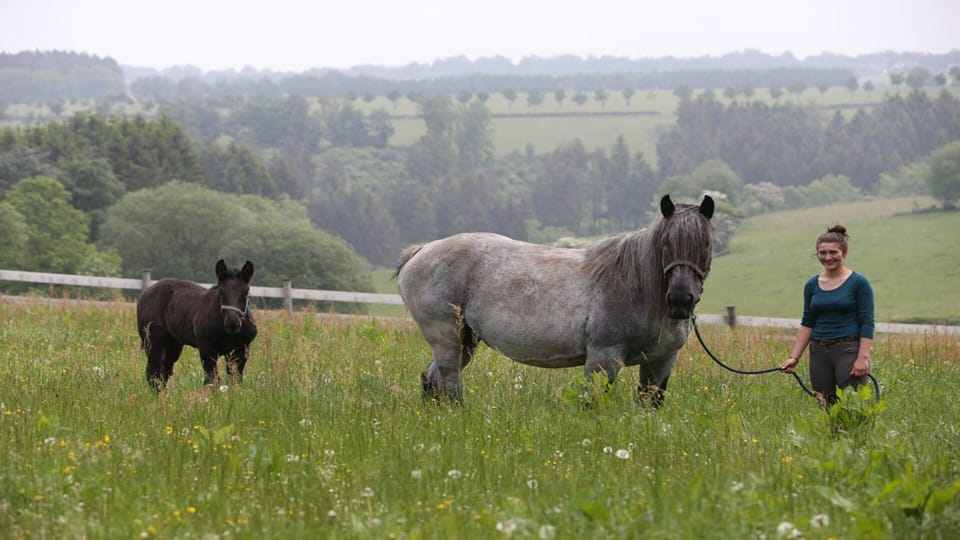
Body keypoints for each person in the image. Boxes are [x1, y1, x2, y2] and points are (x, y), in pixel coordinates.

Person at [780, 225, 875, 409]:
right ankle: (830, 437)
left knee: (852, 406)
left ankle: (856, 438)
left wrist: (862, 357)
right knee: (825, 406)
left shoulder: (859, 283)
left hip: (848, 351)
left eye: (833, 252)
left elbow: (867, 322)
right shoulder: (811, 285)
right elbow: (807, 323)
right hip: (819, 353)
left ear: (844, 253)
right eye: (822, 253)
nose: (828, 257)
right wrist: (794, 357)